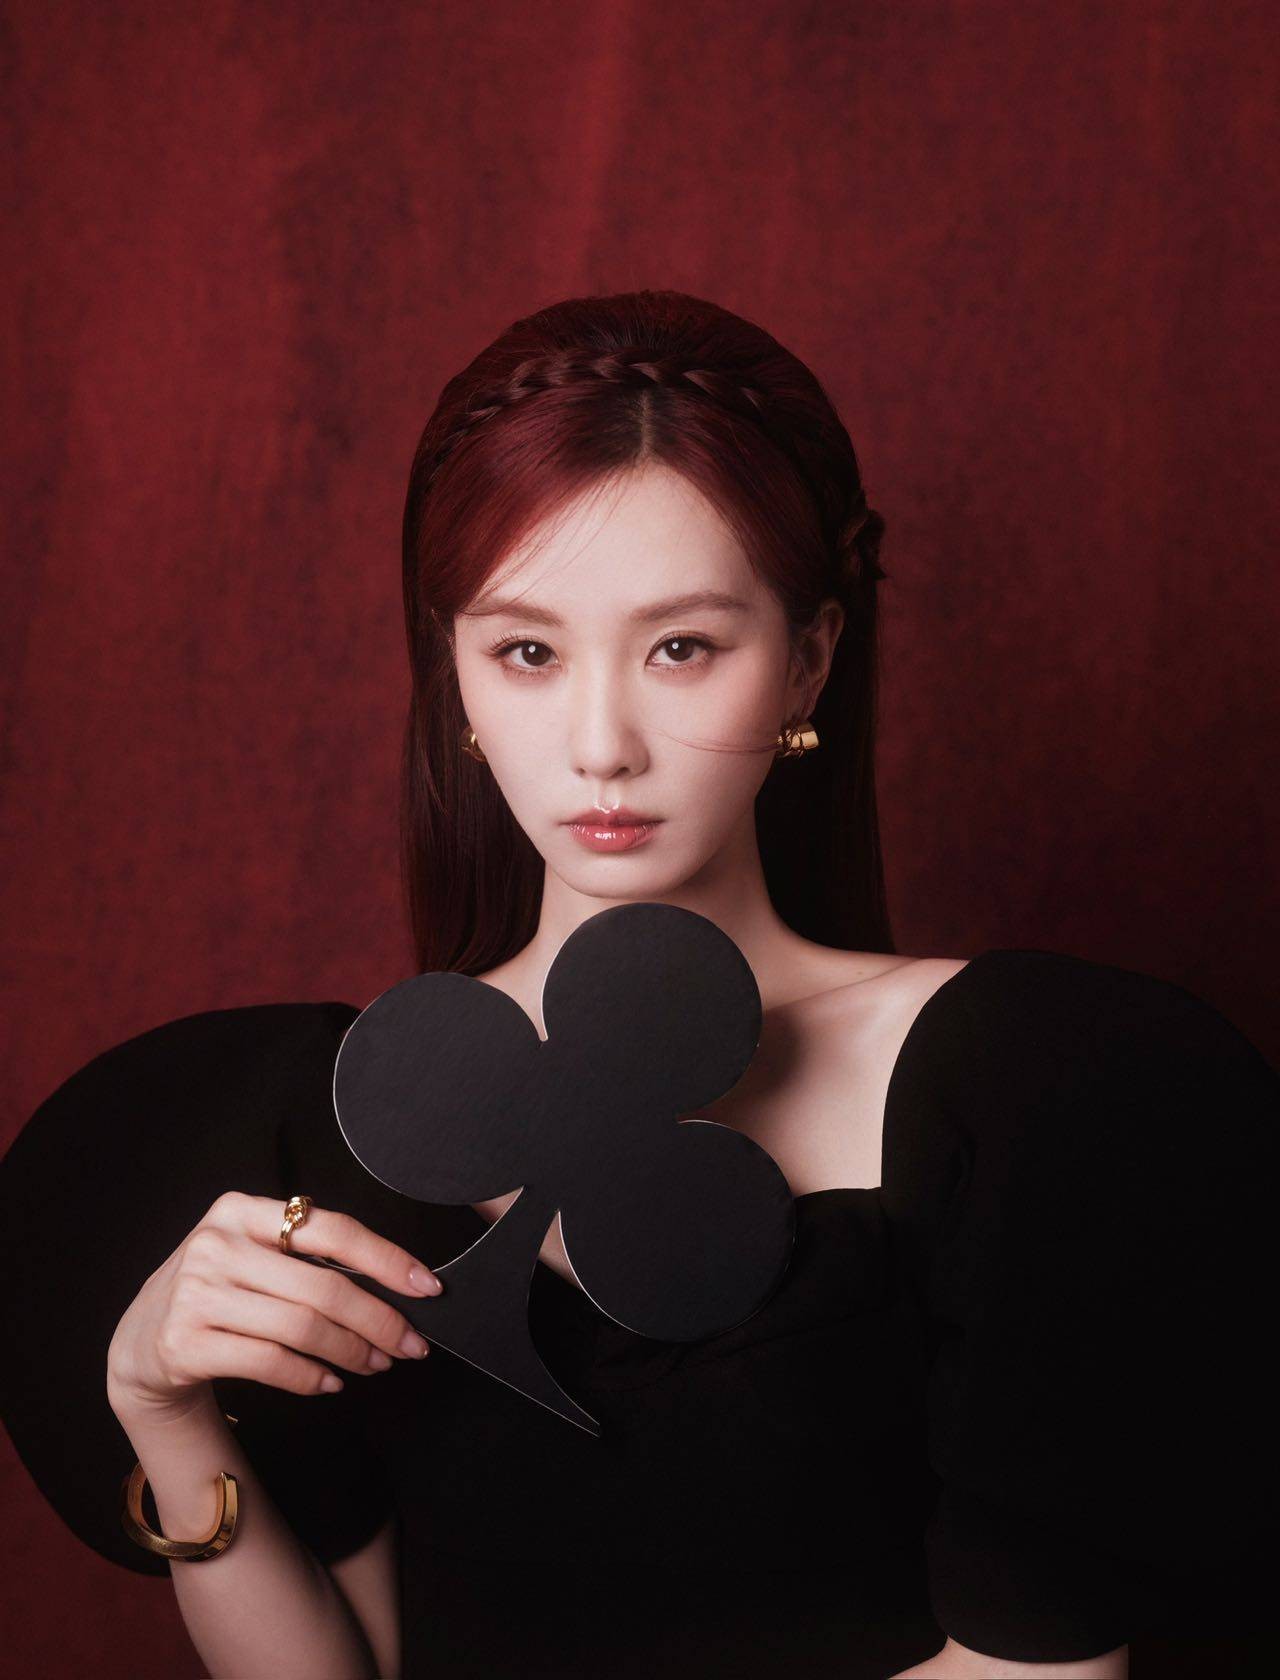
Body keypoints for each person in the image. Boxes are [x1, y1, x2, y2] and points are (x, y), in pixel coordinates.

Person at [1, 289, 1274, 1680]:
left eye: (682, 647)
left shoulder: (1028, 1092)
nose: (601, 743)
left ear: (809, 661)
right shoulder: (333, 1131)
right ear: (457, 680)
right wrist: (165, 1413)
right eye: (527, 652)